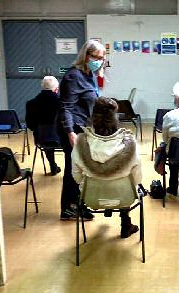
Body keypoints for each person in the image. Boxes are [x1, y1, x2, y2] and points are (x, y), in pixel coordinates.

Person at [72, 97, 141, 238]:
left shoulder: (80, 143)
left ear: (93, 116)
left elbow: (77, 176)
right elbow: (137, 178)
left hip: (91, 197)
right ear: (116, 117)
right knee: (125, 184)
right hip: (124, 197)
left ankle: (126, 223)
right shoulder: (130, 144)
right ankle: (126, 224)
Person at [58, 39, 106, 221]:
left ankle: (78, 204)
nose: (100, 61)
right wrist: (70, 132)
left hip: (83, 127)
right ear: (86, 56)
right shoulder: (73, 76)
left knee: (81, 169)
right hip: (73, 129)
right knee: (73, 169)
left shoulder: (88, 75)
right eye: (97, 57)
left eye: (102, 58)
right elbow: (66, 107)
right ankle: (68, 209)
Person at [26, 76, 62, 176]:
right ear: (56, 89)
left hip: (41, 139)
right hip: (62, 140)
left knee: (47, 138)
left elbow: (30, 125)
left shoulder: (31, 103)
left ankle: (52, 166)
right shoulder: (62, 103)